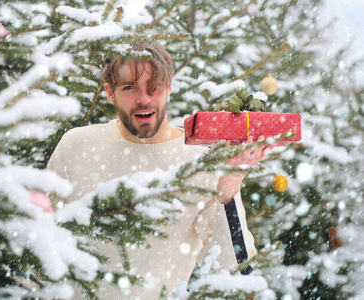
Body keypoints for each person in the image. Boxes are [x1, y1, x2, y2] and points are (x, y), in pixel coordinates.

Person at [47, 41, 274, 299]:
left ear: (168, 88)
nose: (144, 99)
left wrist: (229, 192)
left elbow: (236, 272)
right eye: (130, 87)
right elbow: (38, 243)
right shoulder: (76, 145)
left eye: (154, 87)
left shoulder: (200, 162)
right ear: (110, 92)